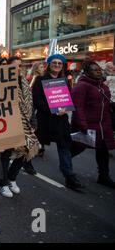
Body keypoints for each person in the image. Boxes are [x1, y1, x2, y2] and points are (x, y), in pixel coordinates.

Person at [32, 54, 84, 191]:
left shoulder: (65, 81)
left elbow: (68, 98)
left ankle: (69, 176)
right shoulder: (40, 79)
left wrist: (65, 108)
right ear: (49, 64)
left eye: (60, 63)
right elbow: (36, 101)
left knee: (65, 145)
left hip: (61, 120)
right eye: (54, 62)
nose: (57, 65)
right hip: (45, 120)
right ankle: (24, 163)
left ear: (63, 65)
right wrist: (52, 110)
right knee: (35, 144)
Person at [0, 56, 40, 197]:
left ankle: (11, 178)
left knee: (28, 149)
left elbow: (30, 103)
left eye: (19, 66)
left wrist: (33, 121)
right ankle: (2, 183)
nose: (17, 68)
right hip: (8, 122)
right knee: (6, 154)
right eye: (14, 65)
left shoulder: (24, 82)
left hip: (24, 122)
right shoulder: (1, 81)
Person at [71, 60, 115, 188]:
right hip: (89, 124)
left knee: (103, 150)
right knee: (78, 147)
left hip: (103, 124)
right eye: (95, 70)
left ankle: (104, 176)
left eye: (99, 70)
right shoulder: (81, 86)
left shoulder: (103, 86)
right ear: (87, 73)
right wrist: (82, 124)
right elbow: (78, 107)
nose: (99, 72)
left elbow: (106, 104)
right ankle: (65, 164)